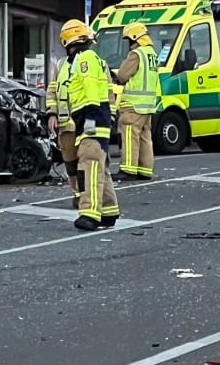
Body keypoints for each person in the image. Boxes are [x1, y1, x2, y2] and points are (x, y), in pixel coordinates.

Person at [59, 19, 120, 231]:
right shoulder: (86, 59)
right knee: (99, 166)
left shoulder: (85, 59)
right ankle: (109, 210)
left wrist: (90, 122)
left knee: (89, 166)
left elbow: (92, 92)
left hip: (91, 119)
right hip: (92, 119)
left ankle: (90, 213)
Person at [112, 22, 160, 182]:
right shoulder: (152, 54)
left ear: (135, 38)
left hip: (133, 105)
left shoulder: (136, 54)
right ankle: (145, 170)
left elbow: (123, 75)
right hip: (148, 105)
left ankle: (128, 169)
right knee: (145, 137)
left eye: (128, 40)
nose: (129, 44)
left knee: (129, 135)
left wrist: (116, 77)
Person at [46, 55, 80, 208]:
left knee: (88, 162)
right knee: (70, 162)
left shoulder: (94, 62)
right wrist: (52, 113)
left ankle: (89, 196)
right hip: (66, 124)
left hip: (86, 124)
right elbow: (52, 90)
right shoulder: (61, 64)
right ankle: (78, 193)